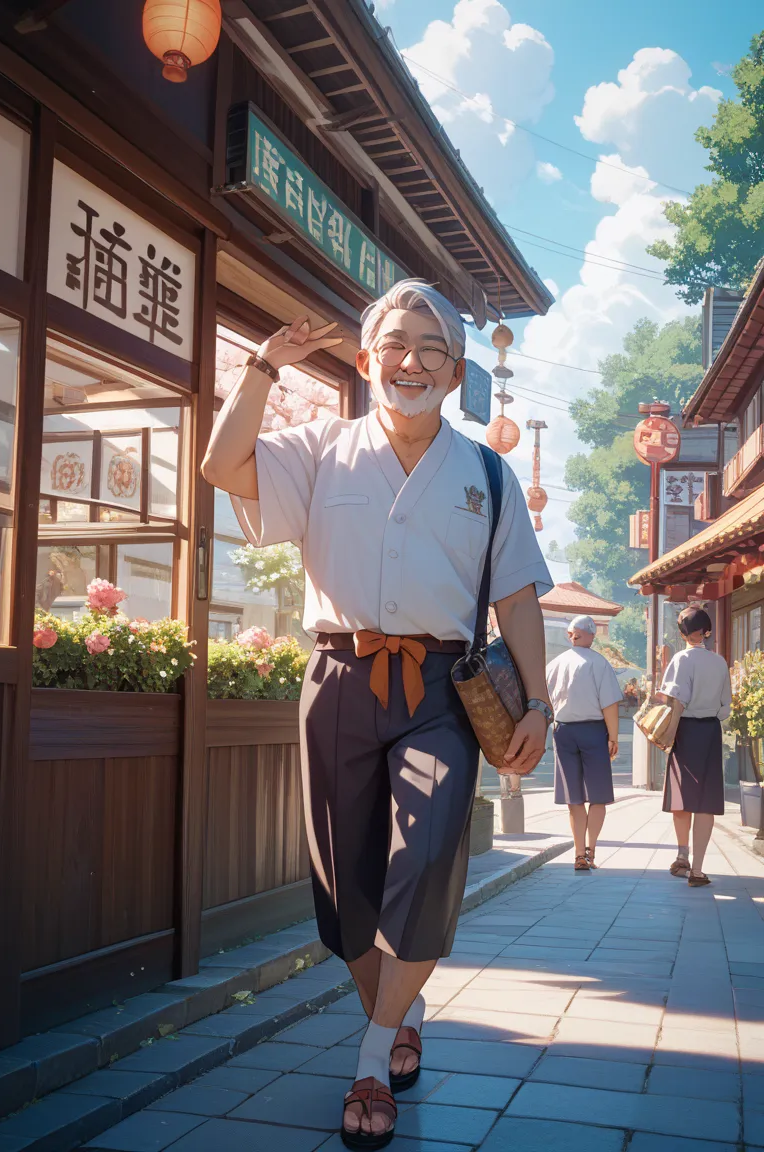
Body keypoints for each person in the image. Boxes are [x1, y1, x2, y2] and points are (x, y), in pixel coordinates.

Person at [202, 278, 553, 1148]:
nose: (412, 361)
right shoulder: (321, 448)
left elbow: (517, 601)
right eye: (395, 344)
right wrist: (260, 370)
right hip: (337, 676)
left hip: (442, 691)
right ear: (365, 361)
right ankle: (399, 1012)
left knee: (428, 861)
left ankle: (369, 1060)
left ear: (458, 372)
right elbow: (221, 466)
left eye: (432, 348)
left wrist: (540, 702)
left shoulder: (487, 474)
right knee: (343, 888)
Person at [657, 605, 731, 888]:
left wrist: (669, 735)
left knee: (681, 797)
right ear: (708, 631)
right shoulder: (720, 662)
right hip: (711, 730)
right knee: (706, 801)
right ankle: (698, 870)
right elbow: (725, 707)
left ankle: (681, 855)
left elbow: (676, 701)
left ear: (682, 633)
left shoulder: (681, 659)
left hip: (685, 731)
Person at [546, 614, 622, 871]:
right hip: (593, 731)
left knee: (574, 798)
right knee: (598, 796)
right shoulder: (599, 663)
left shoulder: (554, 664)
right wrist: (613, 737)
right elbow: (609, 704)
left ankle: (578, 853)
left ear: (571, 635)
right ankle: (591, 851)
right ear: (590, 634)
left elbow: (545, 703)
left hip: (563, 731)